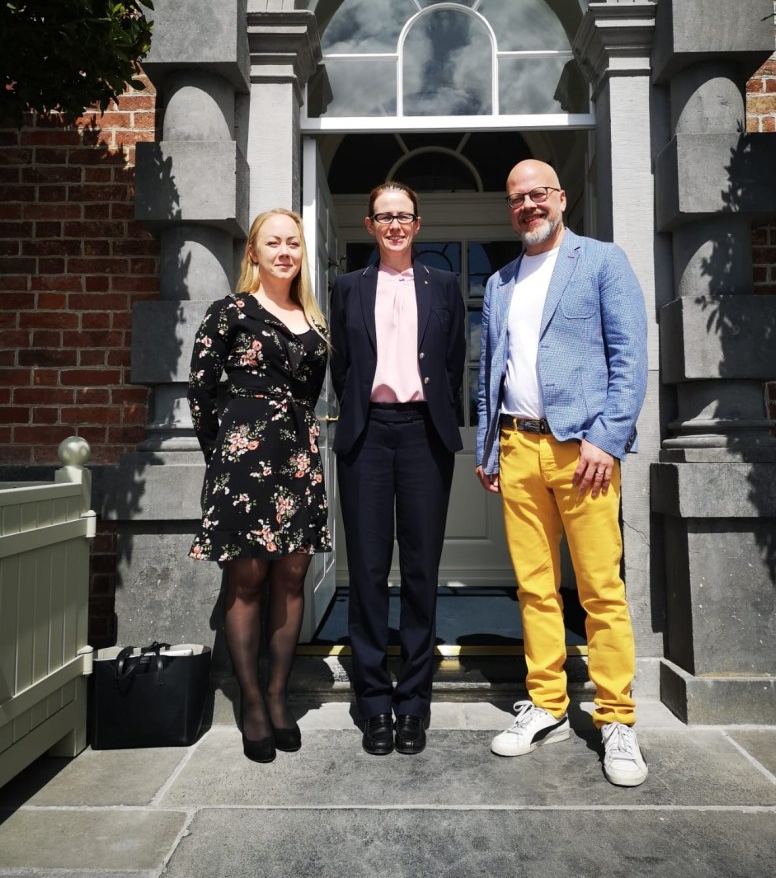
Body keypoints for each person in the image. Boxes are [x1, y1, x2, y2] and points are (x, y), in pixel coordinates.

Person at [475, 159, 649, 787]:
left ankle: (616, 717)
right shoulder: (500, 282)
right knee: (534, 587)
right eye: (517, 198)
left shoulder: (601, 262)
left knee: (600, 589)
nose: (528, 205)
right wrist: (488, 447)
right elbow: (489, 372)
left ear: (561, 198)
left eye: (538, 194)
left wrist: (608, 438)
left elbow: (630, 357)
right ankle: (546, 702)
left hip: (584, 453)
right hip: (517, 447)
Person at [187, 209, 331, 764]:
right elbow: (200, 392)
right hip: (243, 461)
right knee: (247, 578)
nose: (284, 252)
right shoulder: (229, 312)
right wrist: (225, 453)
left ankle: (276, 696)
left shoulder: (314, 319)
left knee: (291, 577)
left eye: (293, 243)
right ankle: (250, 702)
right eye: (273, 243)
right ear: (253, 253)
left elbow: (311, 394)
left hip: (297, 460)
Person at [330, 181, 466, 755]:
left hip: (423, 435)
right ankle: (372, 702)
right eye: (383, 216)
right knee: (366, 572)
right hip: (367, 435)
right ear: (369, 225)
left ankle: (413, 702)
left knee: (419, 571)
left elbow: (453, 362)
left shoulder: (445, 284)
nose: (394, 225)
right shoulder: (347, 287)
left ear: (417, 223)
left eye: (403, 216)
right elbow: (341, 365)